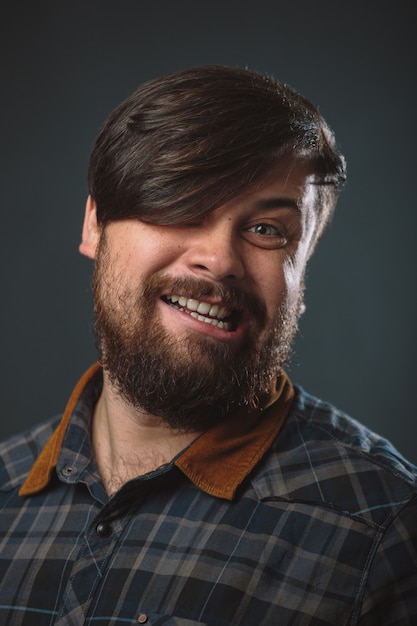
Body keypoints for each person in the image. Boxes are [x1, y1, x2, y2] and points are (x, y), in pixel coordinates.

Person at [0, 65, 416, 626]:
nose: (219, 260)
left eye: (267, 230)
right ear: (94, 225)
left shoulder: (387, 531)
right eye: (182, 204)